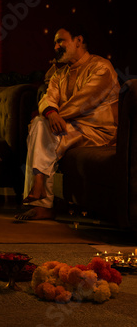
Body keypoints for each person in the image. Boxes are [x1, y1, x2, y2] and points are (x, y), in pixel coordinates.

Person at [16, 25, 120, 220]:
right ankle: (40, 193)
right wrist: (50, 113)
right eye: (55, 42)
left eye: (60, 41)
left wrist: (55, 116)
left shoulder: (101, 67)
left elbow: (84, 101)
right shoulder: (60, 73)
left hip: (98, 132)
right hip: (71, 128)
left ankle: (40, 196)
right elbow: (47, 98)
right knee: (40, 124)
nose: (55, 46)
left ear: (78, 41)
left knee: (42, 126)